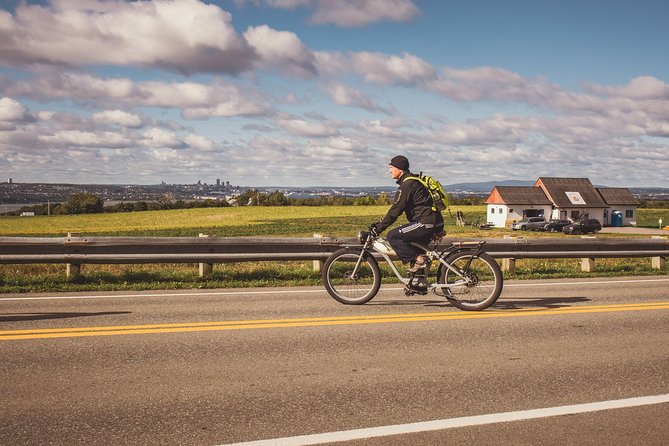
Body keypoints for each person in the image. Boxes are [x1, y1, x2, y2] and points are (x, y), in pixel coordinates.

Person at [369, 155, 444, 273]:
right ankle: (418, 284)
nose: (389, 170)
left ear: (400, 169)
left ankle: (420, 260)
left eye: (391, 167)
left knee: (393, 236)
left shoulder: (407, 185)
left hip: (426, 222)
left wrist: (378, 229)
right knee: (414, 249)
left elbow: (395, 210)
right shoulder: (411, 182)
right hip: (432, 220)